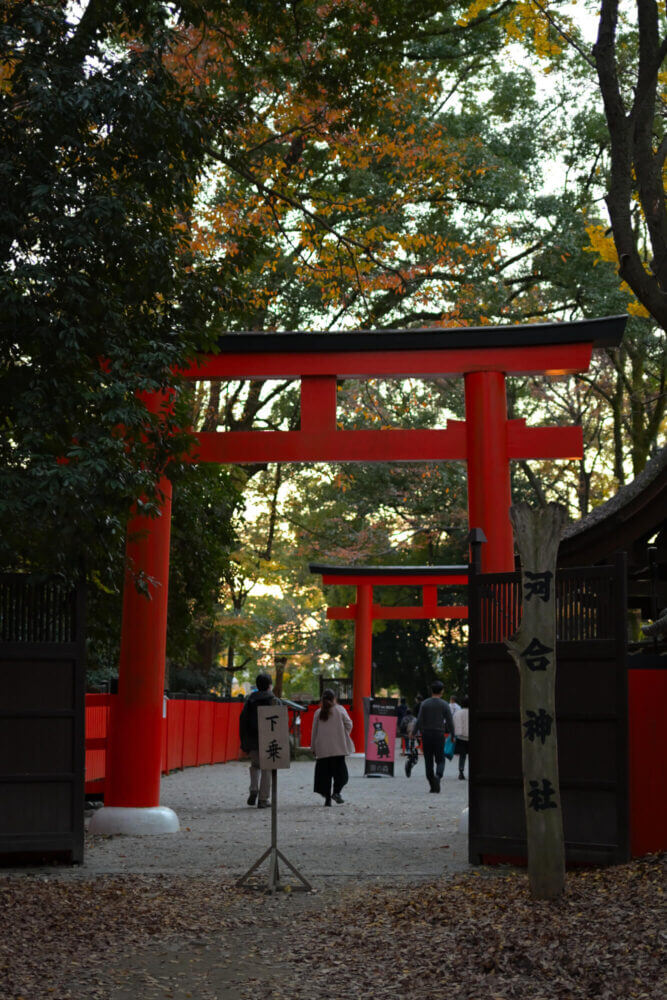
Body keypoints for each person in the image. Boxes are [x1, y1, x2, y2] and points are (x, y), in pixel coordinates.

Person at [238, 672, 277, 808]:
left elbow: (242, 721)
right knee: (267, 768)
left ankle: (254, 789)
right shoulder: (273, 700)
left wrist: (244, 742)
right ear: (269, 686)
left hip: (252, 740)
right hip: (269, 739)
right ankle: (263, 798)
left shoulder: (250, 701)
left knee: (255, 765)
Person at [310, 688, 354, 806]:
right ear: (334, 698)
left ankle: (327, 799)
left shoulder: (318, 712)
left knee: (325, 776)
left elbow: (314, 731)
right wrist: (343, 735)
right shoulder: (340, 710)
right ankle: (336, 792)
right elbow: (349, 724)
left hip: (322, 749)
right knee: (341, 775)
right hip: (338, 749)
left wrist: (313, 747)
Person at [414, 680, 455, 793]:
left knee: (428, 760)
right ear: (442, 691)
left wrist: (413, 732)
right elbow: (450, 721)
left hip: (426, 734)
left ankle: (432, 785)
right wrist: (453, 734)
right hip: (439, 734)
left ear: (431, 690)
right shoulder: (444, 704)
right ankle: (438, 776)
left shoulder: (425, 703)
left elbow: (419, 720)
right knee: (440, 759)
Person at [454, 696, 469, 780]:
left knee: (462, 756)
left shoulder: (458, 713)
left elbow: (454, 724)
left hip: (461, 737)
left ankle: (461, 771)